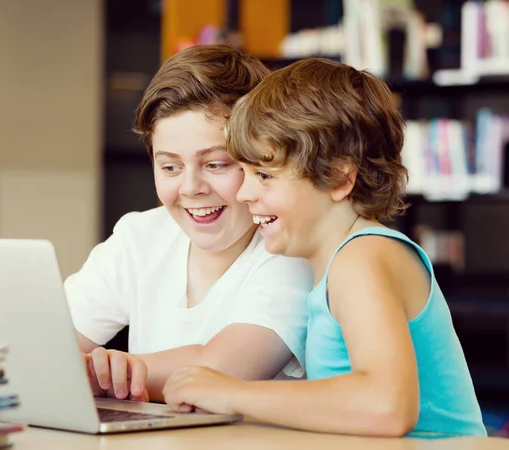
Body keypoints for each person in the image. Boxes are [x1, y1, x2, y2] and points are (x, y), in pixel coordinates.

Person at [162, 58, 486, 438]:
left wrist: (232, 393)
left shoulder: (362, 258)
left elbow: (387, 407)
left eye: (265, 175)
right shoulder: (338, 264)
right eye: (245, 173)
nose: (245, 193)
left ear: (338, 177)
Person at [64, 45, 313, 403]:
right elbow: (50, 345)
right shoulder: (140, 237)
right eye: (170, 167)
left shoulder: (290, 250)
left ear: (263, 158)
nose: (191, 188)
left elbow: (218, 370)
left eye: (216, 164)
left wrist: (111, 375)